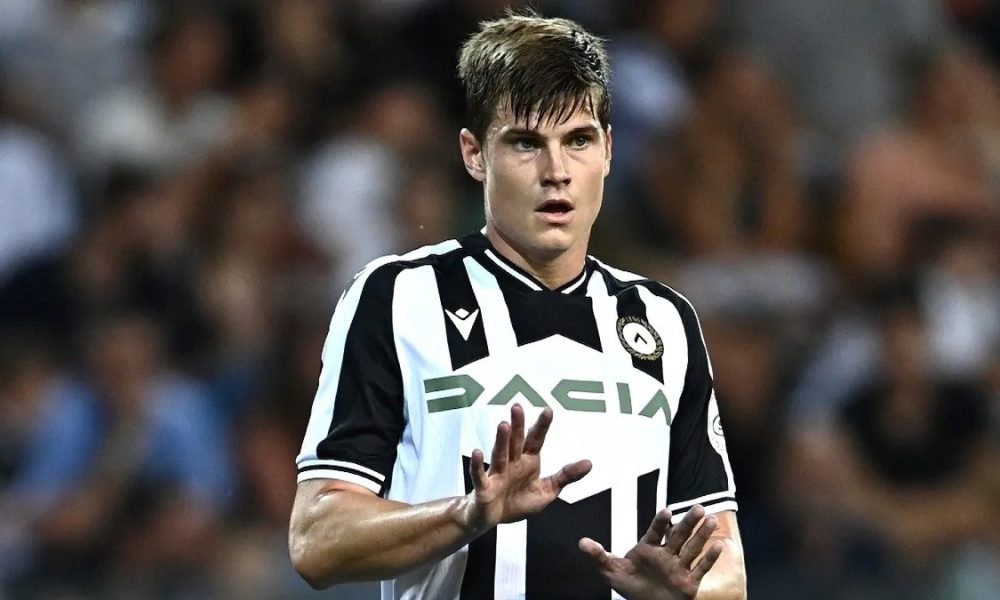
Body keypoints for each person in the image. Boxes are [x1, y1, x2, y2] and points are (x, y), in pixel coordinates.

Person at [289, 11, 746, 599]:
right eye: (527, 143)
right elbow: (316, 539)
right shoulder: (399, 297)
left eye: (578, 140)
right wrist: (467, 515)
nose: (557, 172)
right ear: (474, 153)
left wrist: (684, 593)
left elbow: (727, 566)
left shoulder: (663, 320)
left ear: (608, 150)